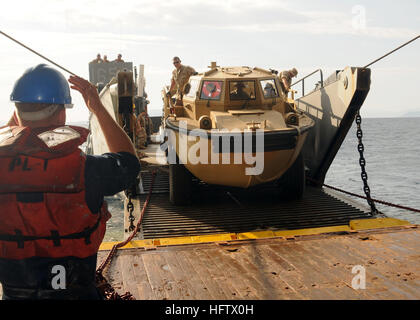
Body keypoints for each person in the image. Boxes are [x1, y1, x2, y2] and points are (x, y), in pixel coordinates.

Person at [0, 64, 140, 300]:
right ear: (62, 113)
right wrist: (98, 108)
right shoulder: (88, 170)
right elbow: (129, 162)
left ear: (17, 111)